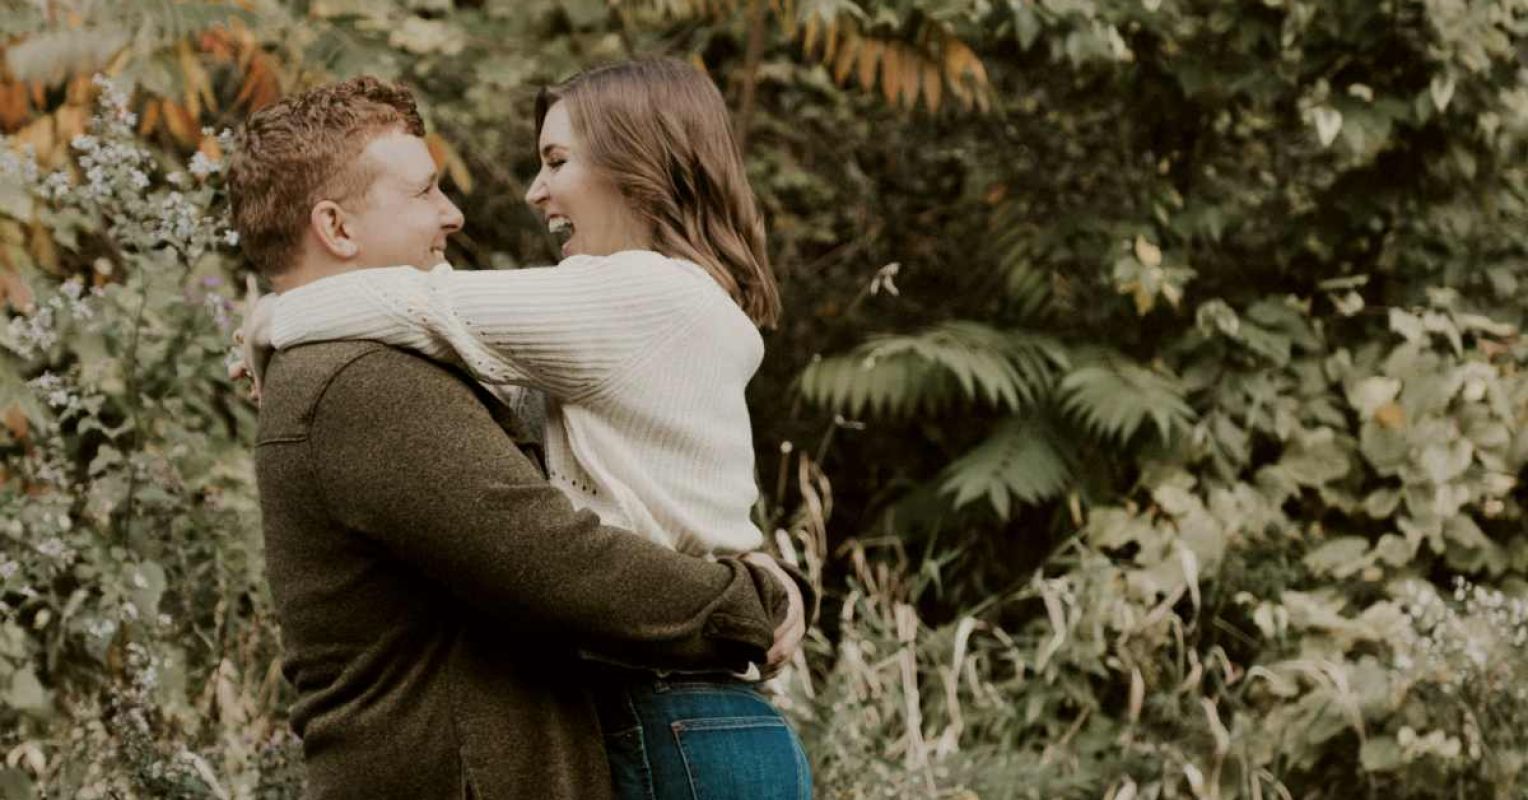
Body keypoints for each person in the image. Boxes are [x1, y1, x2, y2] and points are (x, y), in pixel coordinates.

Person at [227, 74, 809, 800]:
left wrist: (271, 321)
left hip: (675, 712)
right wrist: (753, 599)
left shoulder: (639, 297)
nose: (455, 214)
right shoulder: (362, 382)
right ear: (337, 228)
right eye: (424, 192)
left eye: (557, 161)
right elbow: (557, 560)